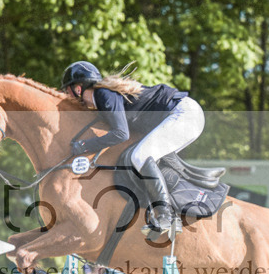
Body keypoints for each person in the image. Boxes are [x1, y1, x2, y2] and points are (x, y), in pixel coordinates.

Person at [60, 61, 204, 237]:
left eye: (67, 90)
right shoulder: (102, 100)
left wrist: (83, 146)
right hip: (183, 115)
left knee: (140, 157)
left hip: (184, 115)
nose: (65, 95)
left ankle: (167, 216)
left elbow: (121, 134)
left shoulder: (103, 94)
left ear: (79, 88)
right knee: (141, 157)